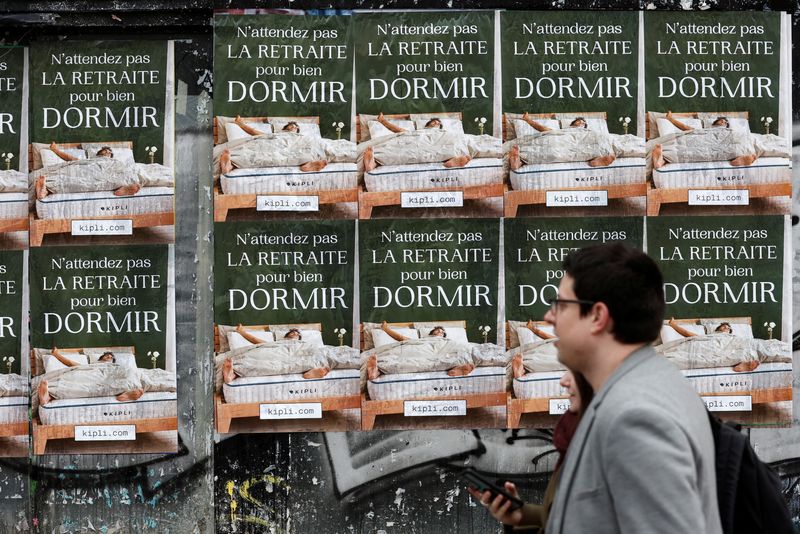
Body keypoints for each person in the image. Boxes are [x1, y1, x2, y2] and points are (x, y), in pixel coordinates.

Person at [543, 243, 722, 534]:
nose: (549, 317)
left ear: (598, 316)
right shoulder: (642, 386)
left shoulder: (636, 417)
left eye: (562, 305)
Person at [470, 368, 593, 533]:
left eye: (577, 368)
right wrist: (522, 515)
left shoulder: (612, 444)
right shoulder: (577, 437)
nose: (563, 381)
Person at [362, 112, 472, 171]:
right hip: (417, 141)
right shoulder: (418, 131)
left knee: (453, 143)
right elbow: (398, 131)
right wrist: (383, 121)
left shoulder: (445, 133)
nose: (436, 123)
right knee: (397, 149)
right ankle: (373, 163)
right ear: (428, 124)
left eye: (438, 122)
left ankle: (453, 160)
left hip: (440, 141)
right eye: (434, 122)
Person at [218, 116, 329, 173]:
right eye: (292, 125)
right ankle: (229, 166)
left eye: (297, 128)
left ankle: (308, 165)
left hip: (296, 146)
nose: (295, 127)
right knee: (255, 153)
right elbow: (254, 133)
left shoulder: (302, 138)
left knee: (305, 150)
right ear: (285, 128)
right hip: (274, 145)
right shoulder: (275, 134)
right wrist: (240, 124)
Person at [221, 325, 330, 382]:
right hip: (279, 353)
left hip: (300, 353)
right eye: (292, 332)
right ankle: (232, 375)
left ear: (300, 339)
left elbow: (313, 350)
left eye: (297, 333)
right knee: (258, 361)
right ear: (286, 336)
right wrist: (242, 332)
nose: (295, 333)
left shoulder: (305, 344)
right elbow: (257, 342)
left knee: (315, 356)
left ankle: (311, 372)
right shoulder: (277, 343)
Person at [37, 347, 144, 406]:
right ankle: (48, 396)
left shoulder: (118, 367)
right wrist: (56, 354)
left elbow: (125, 372)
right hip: (92, 376)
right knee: (77, 381)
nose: (109, 356)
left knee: (131, 372)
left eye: (112, 357)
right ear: (100, 358)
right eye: (107, 355)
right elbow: (70, 363)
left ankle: (127, 392)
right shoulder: (90, 366)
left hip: (112, 376)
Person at [35, 142, 142, 199]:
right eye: (105, 151)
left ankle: (125, 187)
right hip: (91, 170)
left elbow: (124, 169)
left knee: (128, 172)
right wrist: (55, 150)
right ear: (99, 153)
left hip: (112, 171)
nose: (108, 152)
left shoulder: (116, 162)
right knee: (77, 180)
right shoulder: (90, 160)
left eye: (110, 151)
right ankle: (45, 190)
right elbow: (70, 159)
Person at [509, 112, 616, 169]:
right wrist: (528, 120)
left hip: (586, 141)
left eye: (584, 123)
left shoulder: (590, 132)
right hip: (562, 141)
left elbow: (599, 137)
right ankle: (518, 162)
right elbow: (544, 130)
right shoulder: (562, 131)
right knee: (552, 151)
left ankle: (598, 160)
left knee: (600, 140)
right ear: (573, 124)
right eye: (579, 121)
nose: (581, 123)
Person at [652, 111, 758, 168]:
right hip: (702, 138)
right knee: (690, 148)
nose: (724, 122)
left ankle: (740, 158)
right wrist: (671, 119)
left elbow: (738, 136)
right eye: (722, 121)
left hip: (729, 142)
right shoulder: (704, 130)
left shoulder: (729, 131)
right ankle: (662, 160)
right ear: (715, 122)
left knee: (732, 146)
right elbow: (684, 128)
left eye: (726, 123)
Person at [666, 318, 758, 373]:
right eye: (724, 326)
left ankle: (741, 364)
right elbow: (687, 334)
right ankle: (738, 362)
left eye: (729, 327)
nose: (727, 327)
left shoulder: (734, 338)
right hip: (710, 348)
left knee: (745, 350)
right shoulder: (709, 336)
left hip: (729, 347)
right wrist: (673, 325)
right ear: (717, 330)